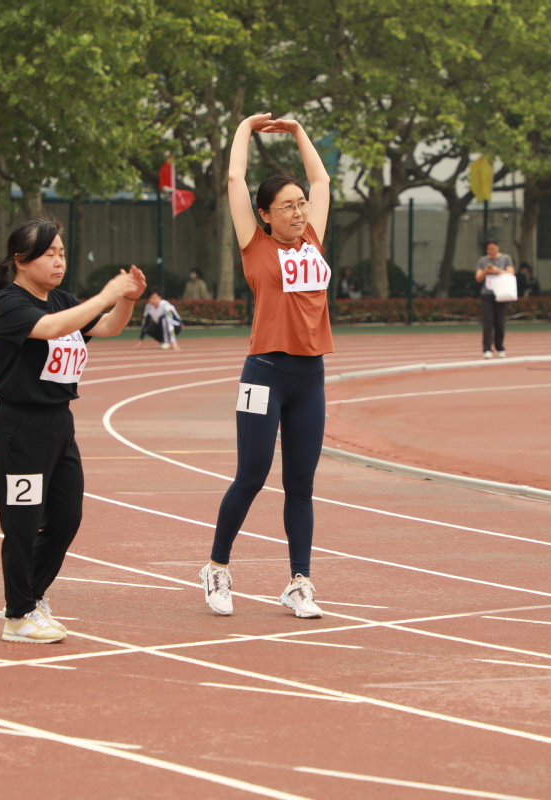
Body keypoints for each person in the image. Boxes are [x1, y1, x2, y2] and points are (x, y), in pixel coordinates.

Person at [0, 218, 144, 643]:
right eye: (49, 254)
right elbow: (51, 328)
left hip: (58, 423)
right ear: (21, 260)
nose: (59, 261)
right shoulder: (9, 303)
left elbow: (107, 326)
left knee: (66, 518)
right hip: (20, 427)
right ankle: (18, 615)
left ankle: (30, 598)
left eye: (62, 253)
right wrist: (105, 294)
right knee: (22, 524)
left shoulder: (60, 300)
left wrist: (126, 300)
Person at [199, 112, 331, 620]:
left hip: (310, 377)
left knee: (301, 485)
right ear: (265, 214)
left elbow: (321, 179)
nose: (299, 212)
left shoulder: (313, 239)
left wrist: (298, 132)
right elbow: (234, 178)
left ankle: (300, 582)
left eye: (301, 204)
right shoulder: (255, 246)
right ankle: (217, 567)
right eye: (287, 206)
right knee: (251, 475)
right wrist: (243, 130)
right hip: (265, 374)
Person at [475, 240, 515, 358]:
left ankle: (500, 347)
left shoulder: (506, 258)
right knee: (488, 322)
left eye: (493, 248)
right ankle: (487, 349)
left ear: (498, 248)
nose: (491, 251)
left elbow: (511, 273)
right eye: (489, 249)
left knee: (500, 322)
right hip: (487, 294)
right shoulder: (482, 260)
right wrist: (486, 271)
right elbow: (478, 278)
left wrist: (498, 271)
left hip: (502, 294)